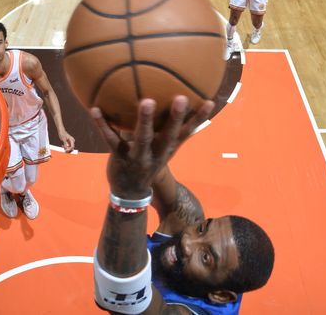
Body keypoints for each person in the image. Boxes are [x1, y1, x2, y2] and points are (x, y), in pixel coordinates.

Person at [92, 96, 275, 314]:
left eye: (205, 257)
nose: (188, 242)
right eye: (202, 228)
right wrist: (134, 103)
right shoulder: (187, 217)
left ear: (221, 296)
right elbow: (149, 167)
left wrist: (128, 195)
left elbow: (117, 297)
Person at [0, 19, 76, 219]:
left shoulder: (27, 63)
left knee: (31, 179)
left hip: (32, 125)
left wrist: (61, 130)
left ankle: (22, 192)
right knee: (17, 182)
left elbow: (48, 92)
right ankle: (6, 190)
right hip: (1, 129)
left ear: (6, 43)